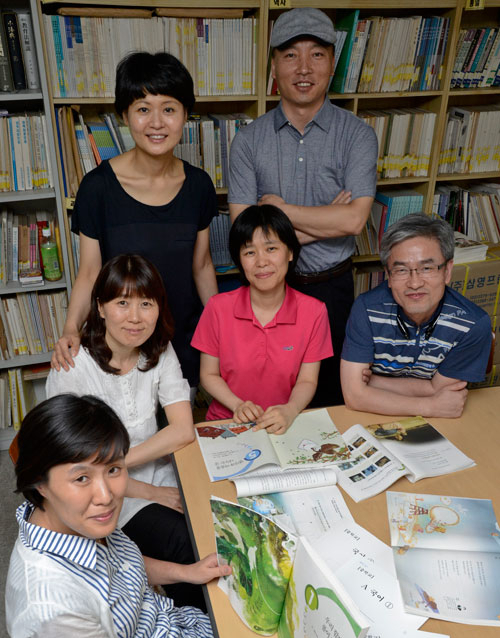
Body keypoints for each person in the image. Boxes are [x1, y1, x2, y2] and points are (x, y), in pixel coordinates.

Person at [5, 395, 332, 638]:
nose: (106, 495)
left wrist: (186, 572)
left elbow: (121, 566)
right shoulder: (50, 608)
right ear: (38, 483)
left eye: (113, 469)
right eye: (81, 478)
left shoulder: (68, 520)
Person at [228, 8, 378, 407]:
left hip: (333, 289)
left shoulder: (358, 136)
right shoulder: (248, 140)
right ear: (274, 65)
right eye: (291, 55)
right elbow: (244, 230)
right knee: (268, 401)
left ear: (332, 64)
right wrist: (325, 221)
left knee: (330, 398)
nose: (304, 67)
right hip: (270, 290)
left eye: (317, 54)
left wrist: (278, 209)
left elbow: (355, 219)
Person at [52, 51, 219, 391]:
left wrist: (222, 327)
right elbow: (89, 272)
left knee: (180, 433)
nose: (157, 123)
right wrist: (71, 328)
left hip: (181, 340)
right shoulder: (97, 187)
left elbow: (201, 265)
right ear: (124, 116)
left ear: (186, 115)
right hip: (121, 344)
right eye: (143, 109)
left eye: (169, 109)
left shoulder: (199, 185)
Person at [46, 253, 201, 608]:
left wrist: (118, 461)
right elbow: (81, 471)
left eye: (146, 303)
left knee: (215, 525)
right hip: (107, 496)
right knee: (185, 542)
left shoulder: (159, 350)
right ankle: (196, 625)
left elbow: (182, 430)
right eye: (122, 303)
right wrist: (145, 490)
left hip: (160, 474)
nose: (135, 317)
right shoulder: (74, 366)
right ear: (99, 307)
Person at [191, 204, 333, 434]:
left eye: (271, 248)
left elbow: (307, 381)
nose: (261, 261)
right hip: (228, 423)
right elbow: (208, 374)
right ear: (239, 260)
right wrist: (237, 405)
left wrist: (290, 410)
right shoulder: (218, 307)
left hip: (288, 422)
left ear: (290, 252)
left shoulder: (314, 312)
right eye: (249, 252)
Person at [340, 213, 492, 418]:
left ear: (447, 271)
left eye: (427, 268)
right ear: (389, 276)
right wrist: (429, 406)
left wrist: (374, 382)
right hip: (371, 416)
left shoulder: (472, 323)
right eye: (401, 270)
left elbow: (442, 391)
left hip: (440, 426)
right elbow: (354, 396)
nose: (414, 283)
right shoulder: (367, 309)